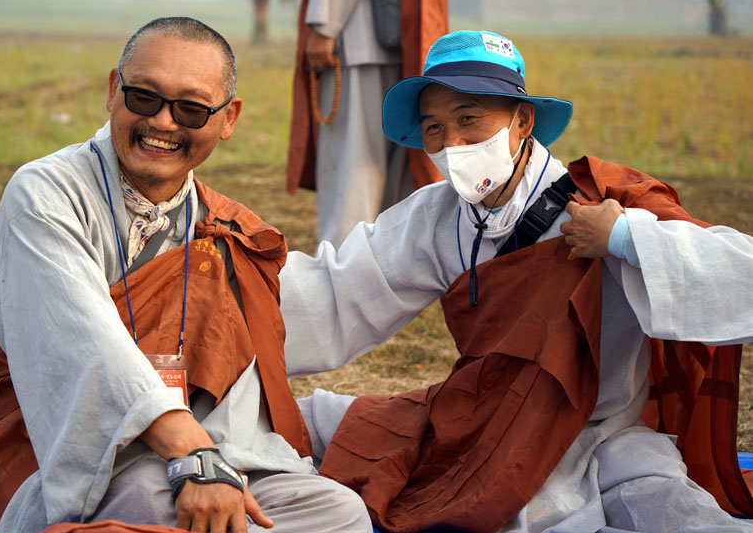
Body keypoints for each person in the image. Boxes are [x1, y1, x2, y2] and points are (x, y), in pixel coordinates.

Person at [0, 17, 371, 533]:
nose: (163, 122)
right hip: (81, 450)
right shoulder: (47, 193)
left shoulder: (220, 227)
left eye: (191, 108)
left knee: (338, 513)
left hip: (204, 446)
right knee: (154, 505)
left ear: (229, 119)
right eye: (144, 97)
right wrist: (193, 458)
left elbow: (237, 371)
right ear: (114, 91)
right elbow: (81, 343)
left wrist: (223, 463)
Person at [281, 29, 753, 532]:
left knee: (682, 517)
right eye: (434, 127)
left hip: (607, 441)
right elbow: (335, 294)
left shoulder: (604, 202)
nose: (452, 144)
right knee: (305, 420)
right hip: (486, 425)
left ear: (522, 120)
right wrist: (217, 305)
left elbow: (739, 272)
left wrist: (623, 238)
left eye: (469, 120)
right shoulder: (437, 216)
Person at [286, 0, 447, 247]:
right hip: (400, 37)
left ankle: (344, 267)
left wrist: (324, 26)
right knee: (393, 163)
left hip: (356, 36)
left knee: (353, 164)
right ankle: (391, 263)